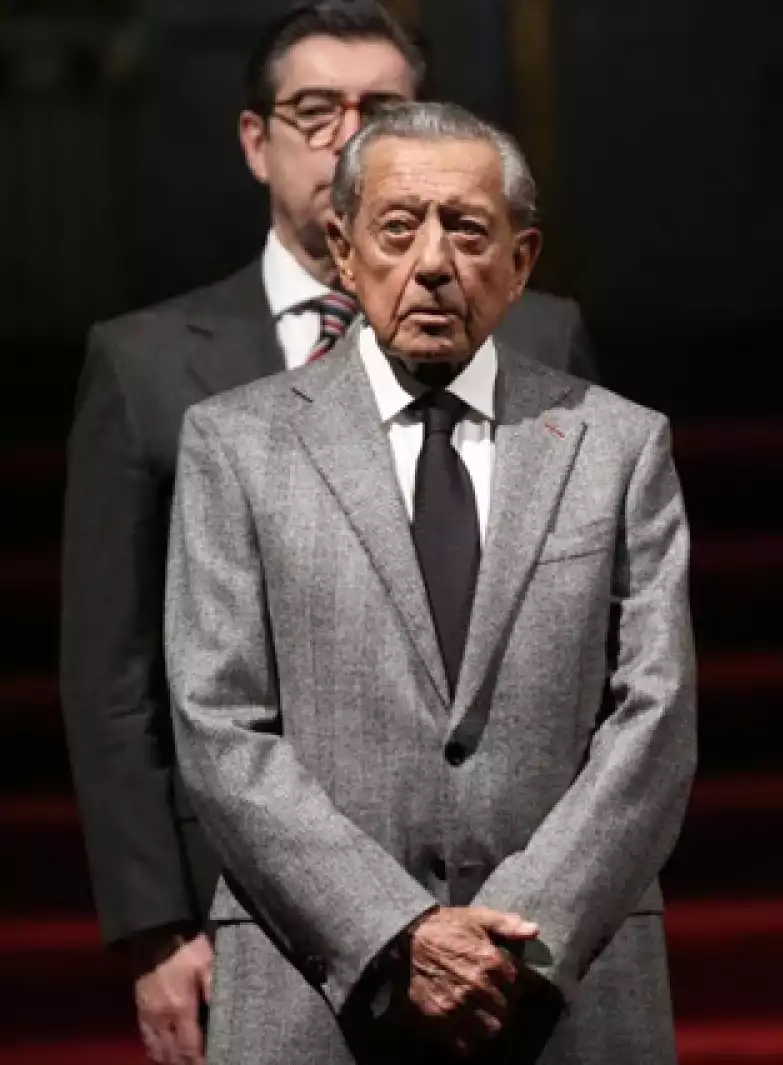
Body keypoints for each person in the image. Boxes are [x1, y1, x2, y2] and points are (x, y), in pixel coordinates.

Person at [59, 4, 598, 1063]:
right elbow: (110, 673)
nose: (348, 136)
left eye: (382, 109)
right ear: (258, 140)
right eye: (316, 109)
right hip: (246, 905)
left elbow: (580, 638)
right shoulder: (147, 364)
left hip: (502, 905)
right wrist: (155, 925)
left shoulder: (539, 332)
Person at [164, 100, 694, 1063]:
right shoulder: (235, 446)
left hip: (563, 992)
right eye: (399, 228)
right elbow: (217, 724)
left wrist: (514, 943)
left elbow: (655, 720)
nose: (435, 262)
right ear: (343, 248)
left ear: (523, 261)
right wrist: (392, 935)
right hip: (316, 989)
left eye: (469, 229)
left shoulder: (621, 445)